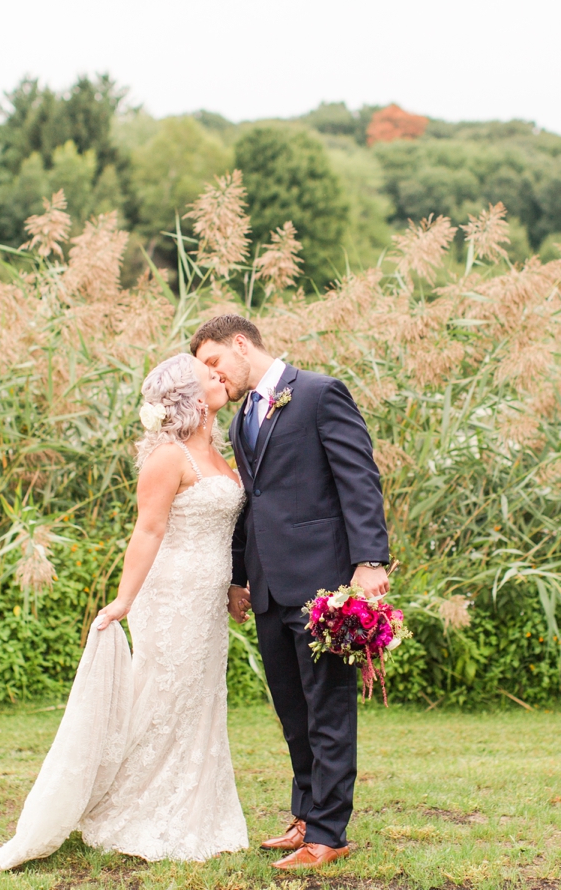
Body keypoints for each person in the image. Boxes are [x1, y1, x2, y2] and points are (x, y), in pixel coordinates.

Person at [0, 353, 249, 869]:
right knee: (162, 697)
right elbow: (147, 530)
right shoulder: (167, 458)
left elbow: (230, 531)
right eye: (206, 374)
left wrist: (237, 584)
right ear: (188, 398)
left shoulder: (218, 452)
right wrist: (124, 601)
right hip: (169, 596)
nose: (218, 375)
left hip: (207, 600)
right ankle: (129, 808)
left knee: (199, 700)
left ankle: (196, 811)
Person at [192, 314, 390, 872]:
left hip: (324, 581)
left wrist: (369, 559)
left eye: (214, 364)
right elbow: (246, 505)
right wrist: (237, 575)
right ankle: (305, 815)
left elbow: (359, 478)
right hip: (269, 589)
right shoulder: (240, 422)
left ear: (240, 344)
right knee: (292, 710)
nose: (213, 377)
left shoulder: (320, 394)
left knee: (327, 707)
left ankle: (330, 833)